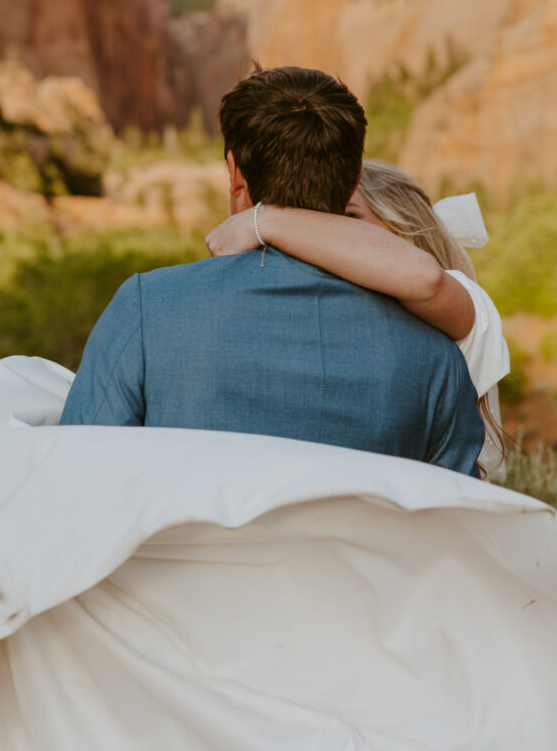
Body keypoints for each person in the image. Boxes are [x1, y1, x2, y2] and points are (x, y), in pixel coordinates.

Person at [60, 66, 484, 476]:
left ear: (235, 175)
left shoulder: (145, 310)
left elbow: (78, 473)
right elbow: (457, 521)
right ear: (354, 180)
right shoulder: (435, 357)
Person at [205, 160, 509, 479]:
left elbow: (425, 277)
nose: (327, 243)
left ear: (405, 228)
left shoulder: (466, 300)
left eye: (350, 219)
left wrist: (264, 221)